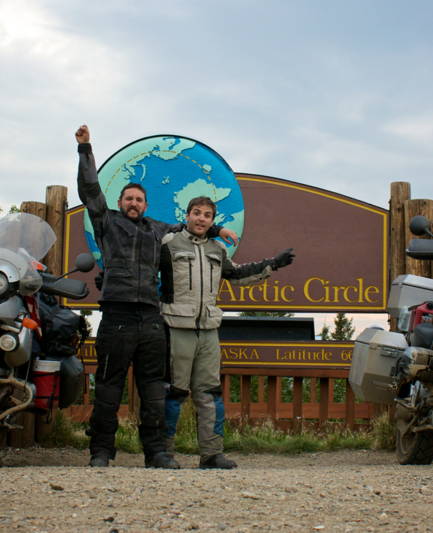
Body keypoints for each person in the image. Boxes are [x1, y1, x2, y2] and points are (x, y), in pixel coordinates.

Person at [75, 126, 239, 469]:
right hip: (117, 317)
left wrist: (219, 227)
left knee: (153, 390)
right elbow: (90, 190)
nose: (133, 203)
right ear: (120, 203)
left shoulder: (160, 230)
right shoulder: (107, 224)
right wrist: (85, 150)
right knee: (108, 388)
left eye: (139, 200)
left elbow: (194, 224)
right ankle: (101, 452)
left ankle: (157, 454)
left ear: (146, 205)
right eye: (128, 199)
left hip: (151, 319)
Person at [159, 195, 294, 469]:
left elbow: (240, 275)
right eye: (196, 213)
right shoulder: (168, 243)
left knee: (210, 393)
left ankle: (211, 454)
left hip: (209, 330)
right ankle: (162, 453)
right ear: (187, 215)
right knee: (173, 393)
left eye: (207, 215)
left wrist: (274, 264)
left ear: (211, 219)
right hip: (176, 328)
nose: (201, 218)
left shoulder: (218, 250)